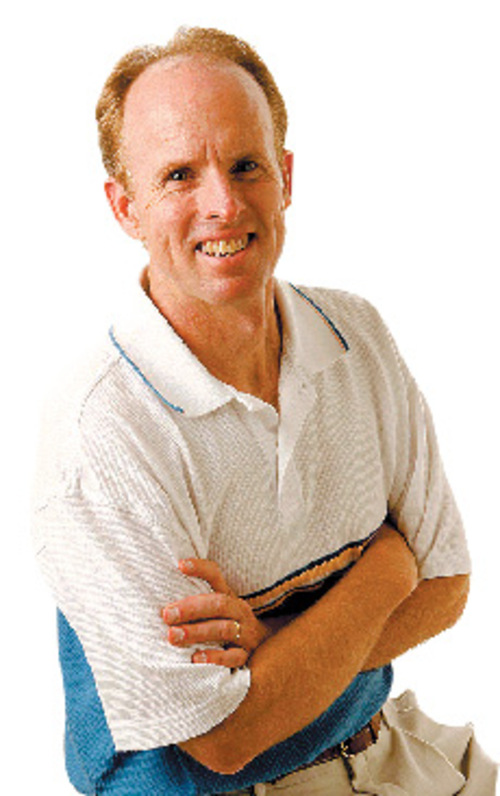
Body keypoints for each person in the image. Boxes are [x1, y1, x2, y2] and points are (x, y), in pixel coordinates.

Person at [32, 26, 497, 795]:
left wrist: (277, 645)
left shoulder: (357, 334)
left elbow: (447, 584)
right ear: (125, 208)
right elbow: (225, 738)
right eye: (179, 175)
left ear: (285, 177)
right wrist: (387, 566)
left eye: (246, 165)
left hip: (385, 749)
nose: (222, 203)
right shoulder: (103, 427)